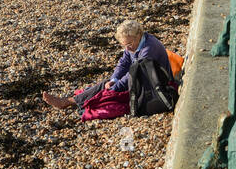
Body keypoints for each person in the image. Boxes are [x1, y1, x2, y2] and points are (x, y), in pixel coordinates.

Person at [42, 20, 171, 120]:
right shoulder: (134, 44)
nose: (128, 48)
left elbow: (134, 74)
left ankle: (68, 102)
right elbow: (124, 63)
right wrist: (114, 79)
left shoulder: (148, 49)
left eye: (130, 44)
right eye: (124, 45)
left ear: (139, 35)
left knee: (106, 89)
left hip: (153, 85)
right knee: (106, 84)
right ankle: (72, 101)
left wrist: (115, 87)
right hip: (140, 79)